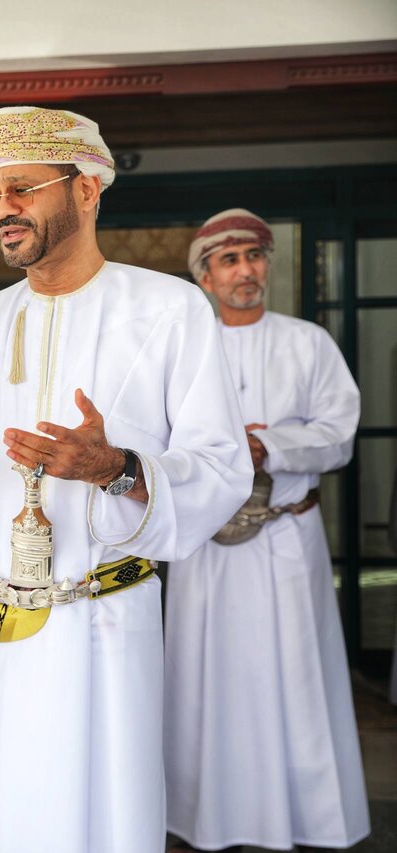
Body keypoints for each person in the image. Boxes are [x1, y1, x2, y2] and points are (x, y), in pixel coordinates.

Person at [0, 106, 251, 853]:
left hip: (100, 630)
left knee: (99, 819)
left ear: (87, 189)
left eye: (22, 189)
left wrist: (118, 468)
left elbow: (220, 469)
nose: (3, 210)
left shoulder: (169, 312)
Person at [164, 208, 369, 852]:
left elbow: (338, 436)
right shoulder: (185, 351)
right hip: (207, 546)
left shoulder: (307, 342)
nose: (244, 271)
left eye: (253, 257)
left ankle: (307, 818)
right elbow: (159, 440)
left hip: (286, 537)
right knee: (208, 680)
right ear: (205, 276)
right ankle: (207, 820)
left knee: (297, 674)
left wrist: (268, 445)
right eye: (228, 260)